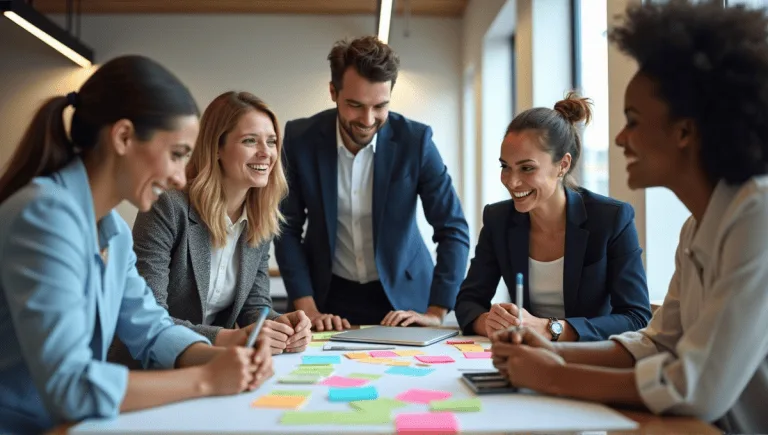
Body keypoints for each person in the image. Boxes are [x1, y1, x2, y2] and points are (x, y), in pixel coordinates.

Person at [490, 2, 768, 432]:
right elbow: (658, 342)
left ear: (684, 131)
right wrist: (550, 349)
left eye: (634, 121)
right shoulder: (697, 224)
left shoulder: (757, 217)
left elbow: (695, 387)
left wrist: (552, 374)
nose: (620, 138)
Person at [0, 56, 273, 434]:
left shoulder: (111, 228)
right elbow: (70, 385)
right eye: (177, 154)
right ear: (123, 137)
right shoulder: (43, 216)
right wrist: (207, 379)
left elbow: (152, 328)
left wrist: (223, 357)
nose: (181, 177)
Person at [274, 36, 470, 330]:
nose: (367, 119)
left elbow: (452, 228)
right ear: (333, 92)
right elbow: (285, 227)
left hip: (406, 300)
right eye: (355, 105)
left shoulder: (416, 142)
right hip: (326, 300)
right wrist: (308, 307)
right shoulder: (301, 138)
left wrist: (436, 311)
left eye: (380, 106)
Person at [110, 92, 311, 363]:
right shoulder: (168, 206)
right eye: (250, 140)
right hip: (147, 366)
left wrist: (283, 327)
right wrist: (228, 338)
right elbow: (149, 314)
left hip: (210, 366)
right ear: (216, 147)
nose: (266, 153)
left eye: (272, 142)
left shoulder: (260, 218)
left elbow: (254, 308)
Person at [455, 93, 651, 342]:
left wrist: (551, 329)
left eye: (527, 168)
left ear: (563, 165)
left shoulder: (611, 219)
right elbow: (468, 301)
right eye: (505, 166)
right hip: (528, 355)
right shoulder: (498, 219)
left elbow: (636, 316)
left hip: (591, 357)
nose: (512, 181)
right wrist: (489, 323)